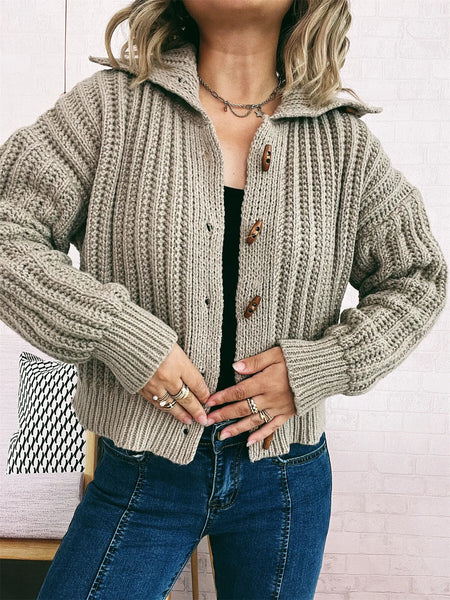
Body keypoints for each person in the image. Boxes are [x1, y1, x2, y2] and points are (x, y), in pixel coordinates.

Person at [0, 0, 446, 598]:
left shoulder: (344, 143)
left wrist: (318, 367)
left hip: (285, 478)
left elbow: (419, 276)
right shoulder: (110, 108)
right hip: (143, 469)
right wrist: (123, 336)